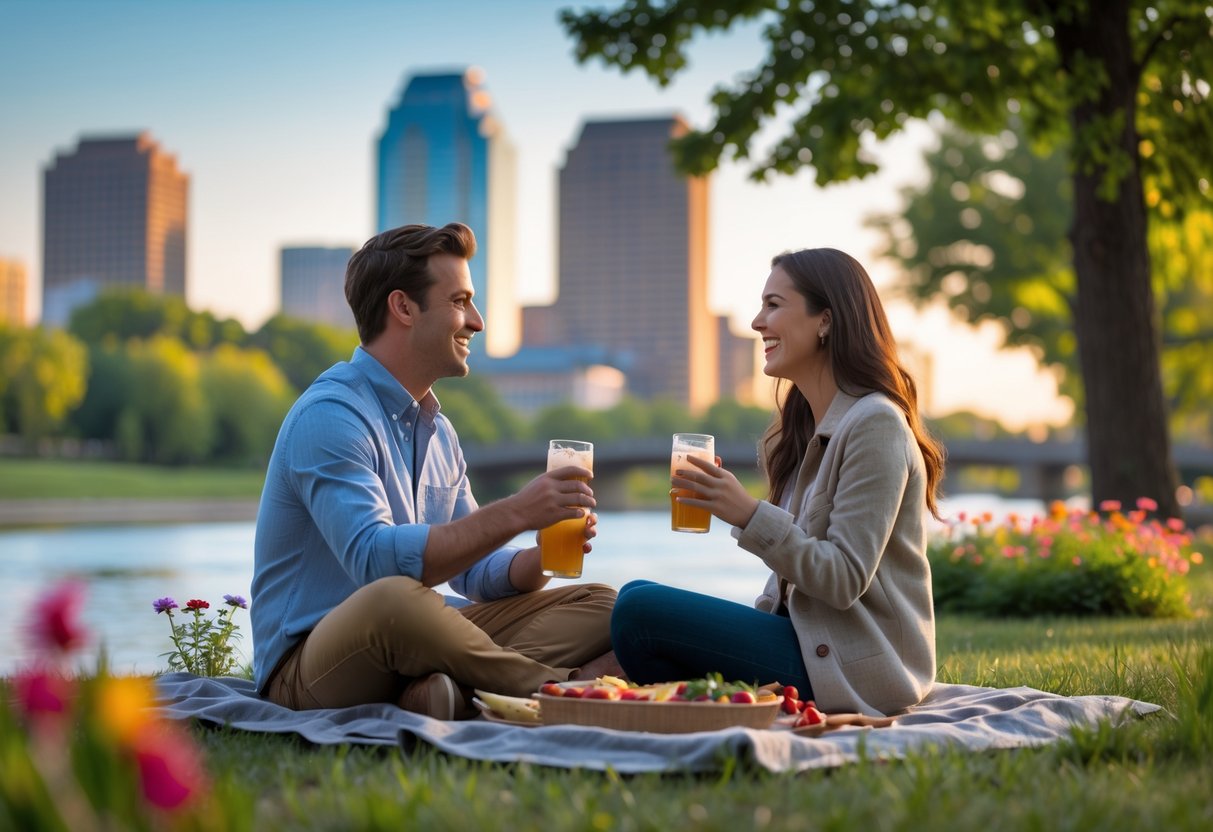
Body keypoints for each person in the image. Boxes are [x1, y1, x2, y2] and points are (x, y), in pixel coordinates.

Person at [251, 222, 619, 720]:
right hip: (308, 667)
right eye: (460, 301)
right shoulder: (330, 415)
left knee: (605, 605)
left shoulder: (438, 430)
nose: (478, 322)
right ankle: (565, 693)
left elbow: (471, 569)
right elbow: (376, 564)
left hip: (414, 640)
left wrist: (537, 559)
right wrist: (515, 511)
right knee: (394, 600)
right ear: (403, 308)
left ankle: (438, 692)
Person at [611, 248, 946, 717]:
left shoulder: (875, 424)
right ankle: (711, 706)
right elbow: (791, 588)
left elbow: (844, 578)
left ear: (824, 320)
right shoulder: (805, 430)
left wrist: (746, 513)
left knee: (639, 614)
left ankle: (704, 705)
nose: (756, 322)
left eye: (773, 305)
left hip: (859, 669)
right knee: (630, 598)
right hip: (809, 645)